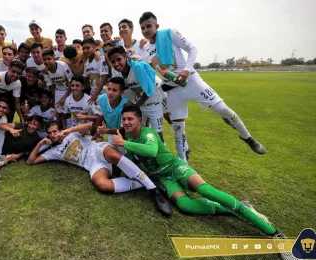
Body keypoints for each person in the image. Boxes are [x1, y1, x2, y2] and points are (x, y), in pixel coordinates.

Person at [112, 104, 301, 260]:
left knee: (205, 190)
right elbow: (130, 161)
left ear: (140, 120)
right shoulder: (126, 136)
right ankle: (239, 207)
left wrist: (124, 143)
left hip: (176, 167)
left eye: (131, 119)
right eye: (124, 119)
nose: (127, 122)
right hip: (166, 178)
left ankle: (277, 235)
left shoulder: (148, 133)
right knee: (186, 206)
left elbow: (151, 151)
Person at [139, 12, 266, 160]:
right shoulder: (145, 49)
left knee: (223, 109)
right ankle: (185, 166)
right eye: (142, 28)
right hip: (173, 90)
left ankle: (247, 137)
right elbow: (152, 68)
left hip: (191, 81)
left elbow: (192, 49)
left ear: (157, 26)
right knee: (178, 129)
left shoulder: (170, 33)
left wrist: (186, 69)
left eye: (149, 26)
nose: (146, 30)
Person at [27, 121, 171, 216]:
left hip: (97, 149)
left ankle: (152, 189)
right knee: (102, 184)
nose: (53, 134)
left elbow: (90, 127)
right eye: (50, 133)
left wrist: (68, 130)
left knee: (112, 154)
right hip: (92, 165)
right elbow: (31, 161)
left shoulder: (72, 133)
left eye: (55, 131)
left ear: (60, 130)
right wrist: (40, 144)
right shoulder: (53, 152)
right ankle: (146, 180)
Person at [107, 46, 165, 142]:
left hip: (153, 103)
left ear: (125, 57)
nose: (116, 64)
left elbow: (149, 90)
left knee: (157, 135)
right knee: (137, 133)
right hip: (138, 104)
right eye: (113, 62)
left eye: (119, 59)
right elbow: (121, 89)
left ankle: (164, 155)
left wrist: (136, 106)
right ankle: (141, 156)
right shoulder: (115, 71)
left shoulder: (137, 66)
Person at [94, 77, 128, 152]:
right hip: (109, 133)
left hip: (123, 136)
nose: (110, 92)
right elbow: (99, 118)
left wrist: (106, 131)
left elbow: (124, 130)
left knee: (120, 154)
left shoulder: (126, 105)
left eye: (114, 90)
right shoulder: (101, 98)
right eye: (109, 89)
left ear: (121, 92)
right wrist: (98, 136)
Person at [42, 49, 73, 128]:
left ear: (54, 58)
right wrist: (54, 99)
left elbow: (71, 82)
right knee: (58, 113)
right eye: (44, 59)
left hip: (69, 90)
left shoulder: (62, 65)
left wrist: (64, 97)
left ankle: (69, 129)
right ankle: (60, 130)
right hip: (58, 91)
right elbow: (51, 86)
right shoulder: (45, 71)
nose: (47, 61)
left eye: (49, 59)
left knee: (67, 113)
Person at [82, 38, 109, 104]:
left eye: (88, 48)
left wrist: (95, 95)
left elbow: (104, 77)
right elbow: (85, 80)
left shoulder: (100, 59)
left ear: (94, 47)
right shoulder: (86, 63)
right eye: (83, 48)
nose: (85, 50)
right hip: (92, 96)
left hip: (103, 95)